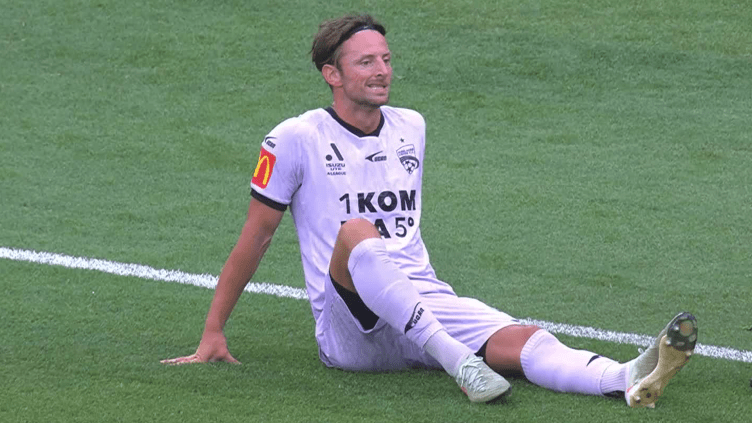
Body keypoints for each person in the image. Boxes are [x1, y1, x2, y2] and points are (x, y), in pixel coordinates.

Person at [161, 13, 698, 407]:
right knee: (357, 230)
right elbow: (256, 236)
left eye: (386, 59)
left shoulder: (411, 126)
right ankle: (458, 362)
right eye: (365, 62)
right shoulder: (295, 137)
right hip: (350, 329)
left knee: (522, 339)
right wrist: (213, 331)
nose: (382, 70)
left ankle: (625, 378)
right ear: (331, 74)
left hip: (421, 299)